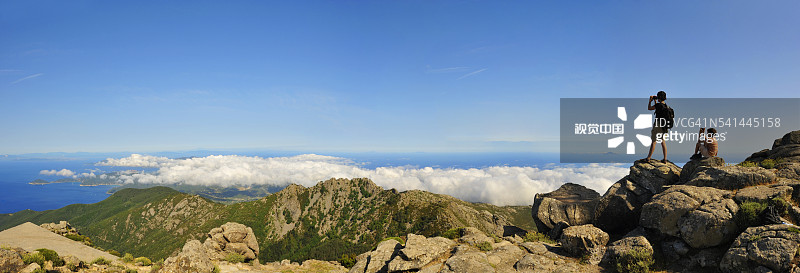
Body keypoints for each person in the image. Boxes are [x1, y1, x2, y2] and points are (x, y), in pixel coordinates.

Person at [645, 91, 669, 163]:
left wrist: (650, 101)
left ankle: (648, 158)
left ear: (659, 97)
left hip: (657, 124)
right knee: (663, 142)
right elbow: (658, 108)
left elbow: (649, 108)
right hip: (664, 126)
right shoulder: (666, 106)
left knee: (654, 141)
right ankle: (665, 159)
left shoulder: (658, 105)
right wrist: (655, 101)